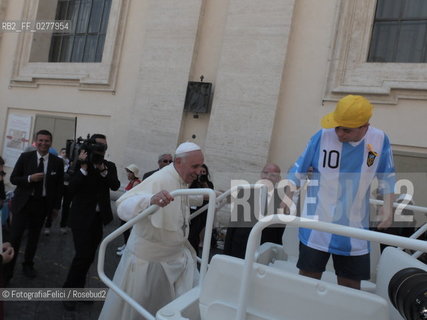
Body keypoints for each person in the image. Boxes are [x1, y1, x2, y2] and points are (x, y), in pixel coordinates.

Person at [287, 95, 396, 290]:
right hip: (316, 224)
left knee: (350, 285)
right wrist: (286, 198)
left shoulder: (379, 140)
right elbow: (298, 169)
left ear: (365, 126)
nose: (339, 133)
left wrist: (387, 209)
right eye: (337, 126)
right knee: (308, 279)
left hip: (354, 227)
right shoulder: (322, 136)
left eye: (346, 129)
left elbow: (387, 176)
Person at [98, 142, 204, 319]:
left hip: (174, 259)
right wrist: (150, 200)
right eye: (195, 166)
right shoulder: (159, 179)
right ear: (178, 162)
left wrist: (211, 195)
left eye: (200, 165)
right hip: (149, 266)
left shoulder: (181, 178)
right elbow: (123, 205)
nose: (199, 170)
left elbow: (183, 197)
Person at [62, 134, 120, 311]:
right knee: (82, 256)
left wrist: (102, 170)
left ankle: (78, 291)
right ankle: (69, 292)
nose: (101, 149)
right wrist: (83, 167)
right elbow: (71, 188)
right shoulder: (80, 164)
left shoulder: (109, 166)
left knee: (89, 257)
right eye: (98, 145)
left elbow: (115, 186)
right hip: (80, 217)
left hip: (97, 219)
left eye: (104, 146)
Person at [4, 130, 64, 281]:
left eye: (47, 141)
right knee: (15, 237)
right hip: (23, 204)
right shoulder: (26, 157)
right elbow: (13, 179)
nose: (43, 143)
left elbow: (59, 187)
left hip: (42, 205)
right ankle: (7, 269)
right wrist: (30, 178)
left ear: (51, 142)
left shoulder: (57, 162)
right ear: (36, 141)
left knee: (34, 237)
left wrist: (56, 207)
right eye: (41, 140)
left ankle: (28, 264)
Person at [224, 163, 286, 258]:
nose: (268, 177)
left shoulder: (282, 201)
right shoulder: (245, 193)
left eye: (273, 175)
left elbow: (279, 231)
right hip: (239, 248)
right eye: (265, 173)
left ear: (278, 179)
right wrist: (226, 252)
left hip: (264, 252)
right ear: (261, 174)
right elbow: (233, 223)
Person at [188, 164, 215, 253]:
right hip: (192, 210)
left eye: (204, 172)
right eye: (201, 172)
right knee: (190, 233)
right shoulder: (193, 181)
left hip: (203, 210)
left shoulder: (209, 183)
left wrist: (204, 184)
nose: (202, 174)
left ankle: (194, 252)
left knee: (195, 233)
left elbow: (210, 194)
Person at [44, 147, 71, 235]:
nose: (64, 154)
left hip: (68, 186)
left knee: (66, 206)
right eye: (63, 152)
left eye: (66, 152)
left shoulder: (70, 162)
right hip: (58, 186)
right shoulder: (57, 161)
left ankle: (63, 225)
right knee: (52, 205)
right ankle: (48, 226)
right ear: (60, 153)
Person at [116, 164, 141, 256]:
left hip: (130, 210)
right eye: (128, 172)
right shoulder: (131, 182)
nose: (128, 174)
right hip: (126, 208)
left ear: (134, 173)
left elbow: (134, 197)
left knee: (126, 229)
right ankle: (125, 244)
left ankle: (127, 248)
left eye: (130, 172)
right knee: (124, 229)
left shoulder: (136, 183)